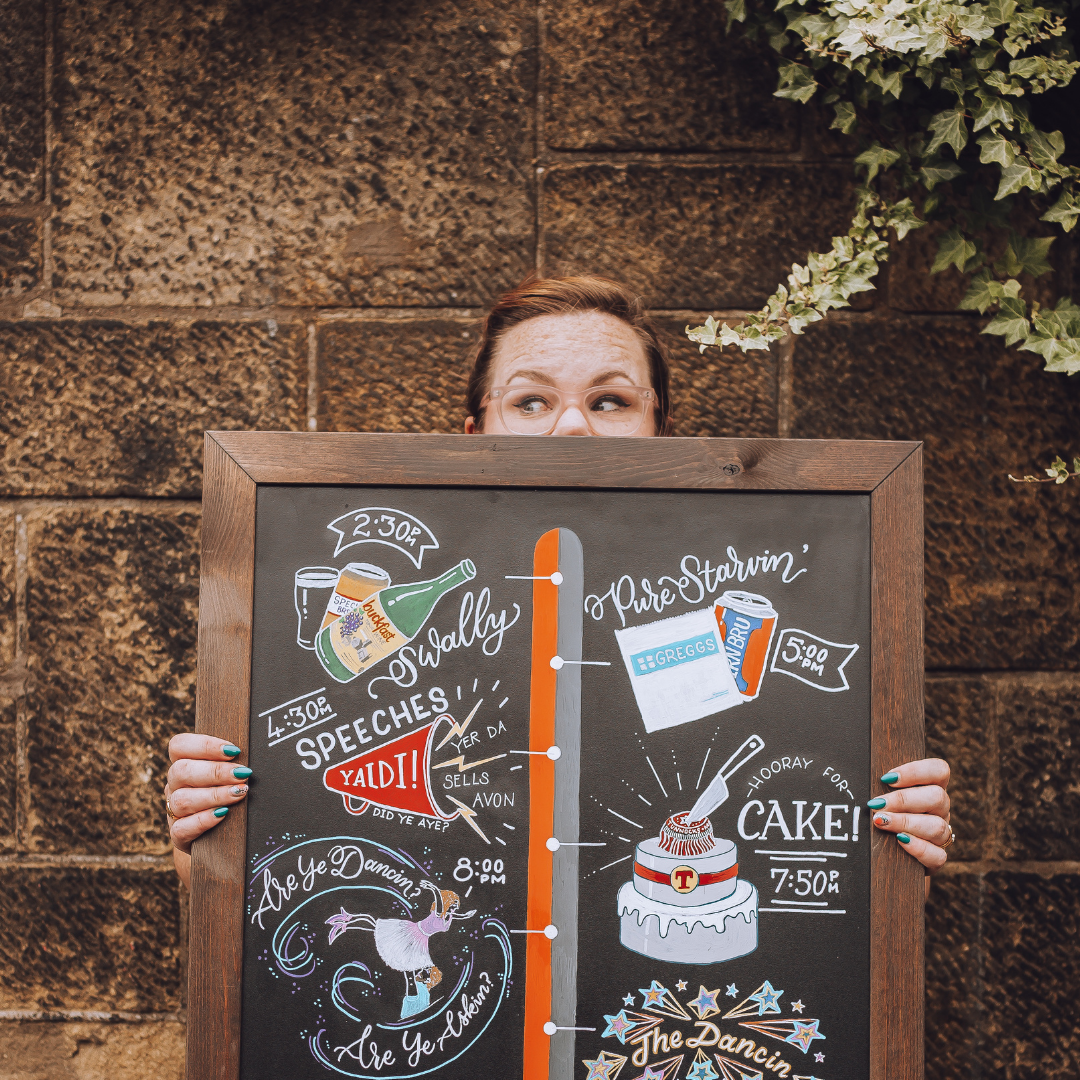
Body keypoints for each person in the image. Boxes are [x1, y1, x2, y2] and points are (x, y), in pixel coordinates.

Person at [165, 275, 953, 893]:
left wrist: (889, 846)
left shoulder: (726, 625)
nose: (572, 427)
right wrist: (211, 834)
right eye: (531, 400)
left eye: (609, 400)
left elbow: (820, 886)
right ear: (474, 435)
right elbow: (268, 871)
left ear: (659, 430)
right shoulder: (392, 612)